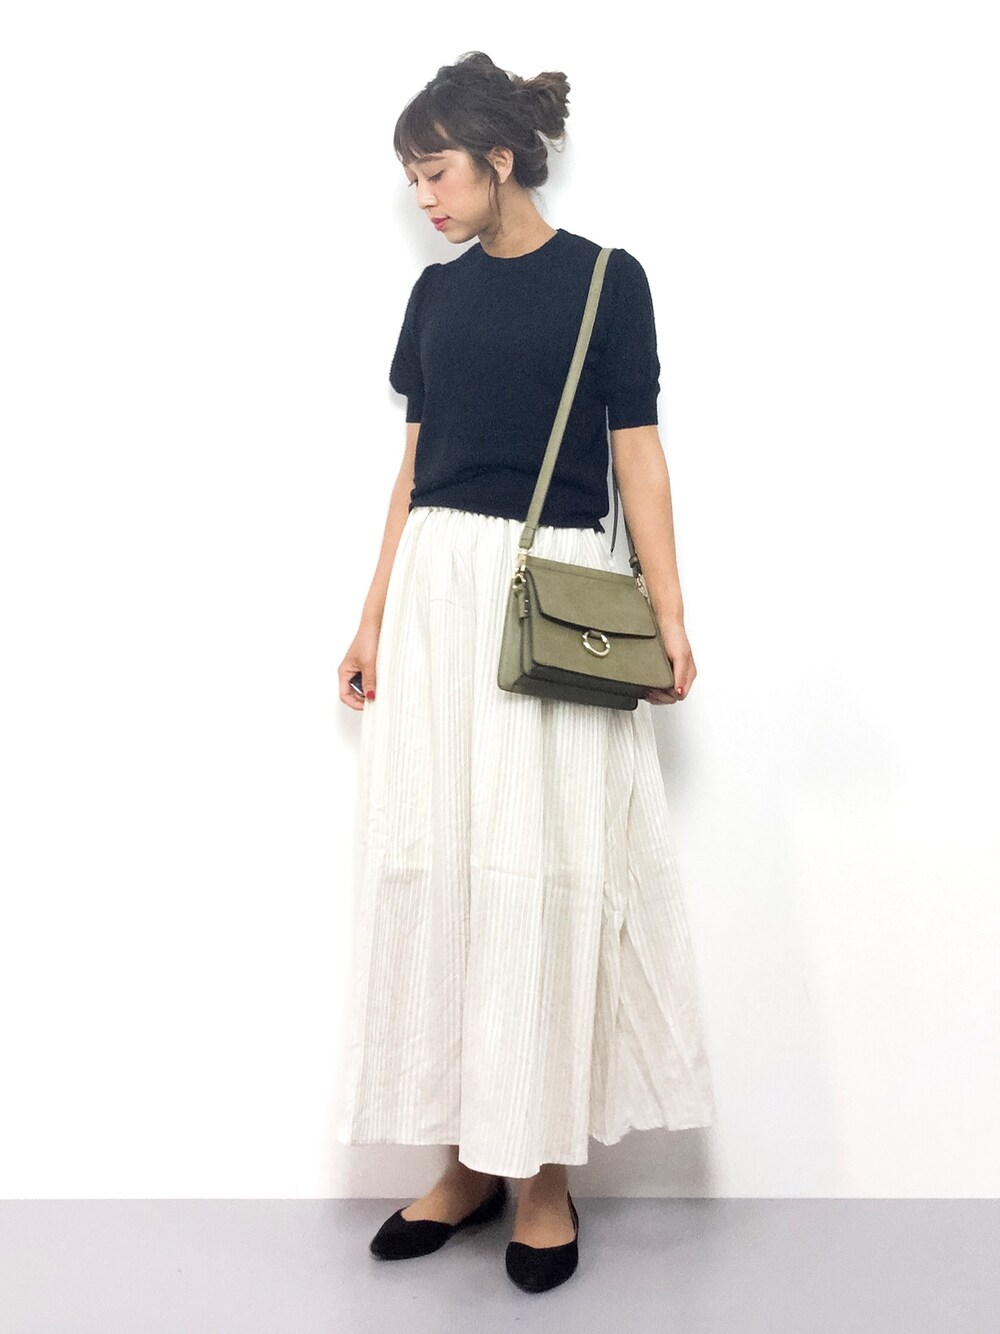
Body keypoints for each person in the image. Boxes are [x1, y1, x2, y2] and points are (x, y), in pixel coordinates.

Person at [335, 51, 716, 1294]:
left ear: (500, 158)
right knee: (442, 866)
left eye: (437, 172)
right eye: (411, 179)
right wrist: (372, 616)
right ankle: (462, 1164)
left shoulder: (607, 280)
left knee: (544, 876)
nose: (425, 198)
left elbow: (637, 452)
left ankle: (541, 1175)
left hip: (550, 597)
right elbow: (414, 465)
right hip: (437, 597)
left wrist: (668, 611)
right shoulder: (433, 296)